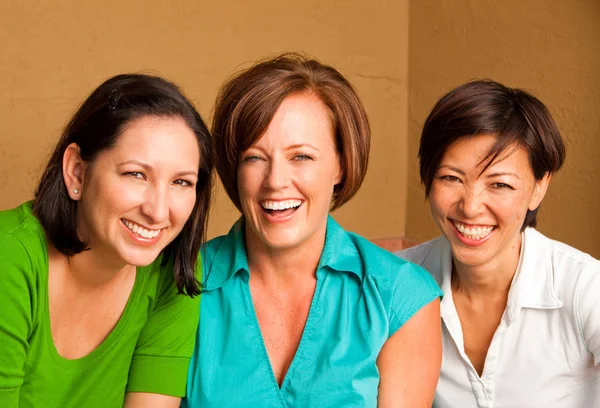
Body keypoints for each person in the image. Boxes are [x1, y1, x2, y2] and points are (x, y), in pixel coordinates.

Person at [182, 53, 443, 408]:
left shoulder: (400, 297)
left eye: (301, 156)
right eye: (255, 157)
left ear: (341, 165)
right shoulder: (182, 282)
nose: (275, 182)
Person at [0, 73, 214, 408]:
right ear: (76, 171)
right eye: (136, 174)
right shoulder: (9, 257)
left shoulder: (171, 272)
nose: (158, 211)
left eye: (182, 182)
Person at [395, 79, 600, 407]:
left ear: (538, 187)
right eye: (451, 178)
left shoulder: (584, 287)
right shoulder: (398, 281)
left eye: (500, 184)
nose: (471, 206)